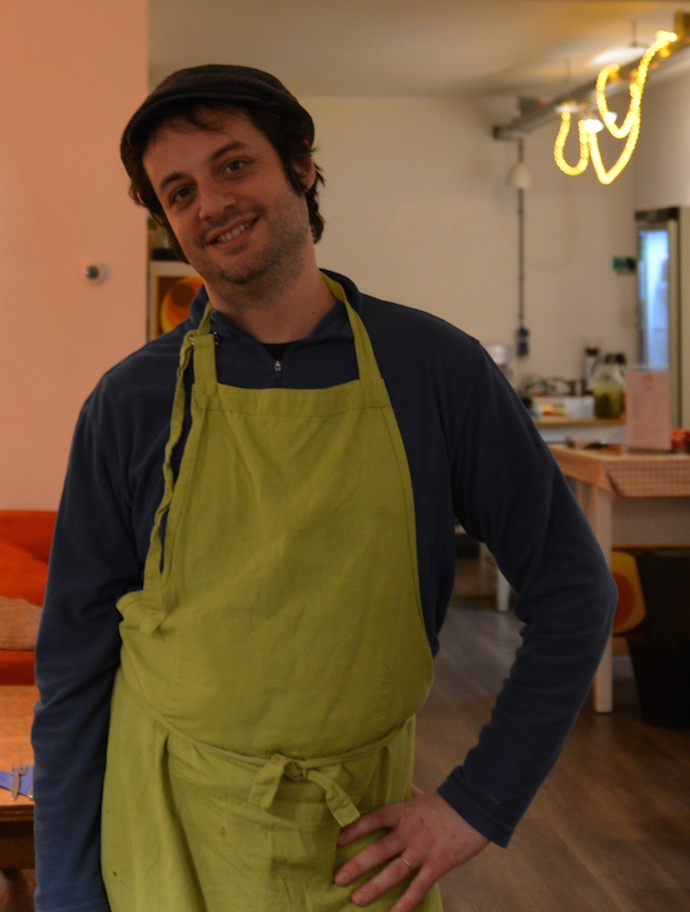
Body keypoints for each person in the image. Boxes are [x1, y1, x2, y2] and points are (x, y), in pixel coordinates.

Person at [32, 64, 615, 912]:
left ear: (301, 165)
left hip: (364, 850)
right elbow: (76, 664)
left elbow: (575, 590)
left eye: (235, 165)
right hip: (163, 837)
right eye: (180, 191)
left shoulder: (434, 371)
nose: (211, 204)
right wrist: (67, 892)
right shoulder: (130, 403)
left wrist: (475, 805)